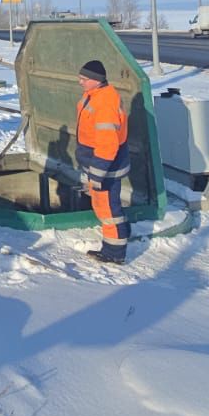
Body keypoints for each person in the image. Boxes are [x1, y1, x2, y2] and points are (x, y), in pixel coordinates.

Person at [76, 59, 130, 264]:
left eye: (84, 78)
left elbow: (107, 144)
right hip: (100, 164)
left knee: (108, 211)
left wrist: (97, 173)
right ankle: (123, 234)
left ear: (96, 80)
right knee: (110, 207)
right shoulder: (94, 95)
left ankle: (114, 253)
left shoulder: (105, 103)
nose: (79, 81)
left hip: (105, 167)